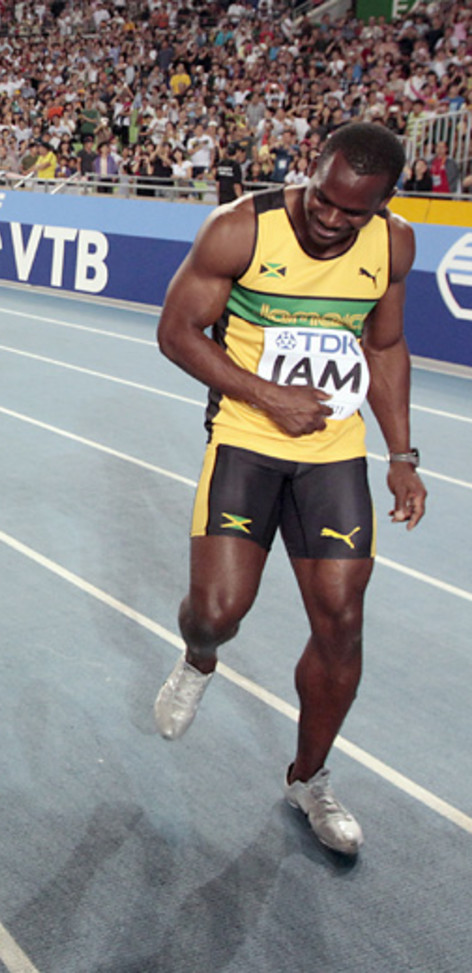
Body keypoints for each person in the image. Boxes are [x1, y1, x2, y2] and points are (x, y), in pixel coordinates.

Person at [152, 122, 426, 856]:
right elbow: (177, 332)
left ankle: (310, 778)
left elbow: (385, 343)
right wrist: (266, 395)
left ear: (384, 204)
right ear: (313, 169)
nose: (333, 220)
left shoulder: (394, 245)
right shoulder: (240, 229)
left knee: (341, 620)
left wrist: (401, 452)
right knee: (216, 611)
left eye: (354, 213)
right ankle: (199, 658)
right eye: (324, 201)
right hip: (247, 437)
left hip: (335, 451)